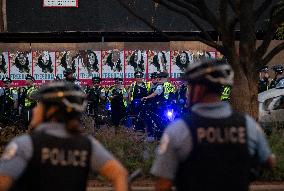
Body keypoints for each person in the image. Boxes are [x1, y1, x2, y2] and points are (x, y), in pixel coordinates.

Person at [151, 58, 276, 191]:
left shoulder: (178, 130)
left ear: (199, 89)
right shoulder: (248, 125)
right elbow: (269, 162)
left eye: (190, 86)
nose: (187, 93)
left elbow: (162, 185)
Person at [0, 81, 128, 191]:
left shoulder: (25, 144)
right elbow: (119, 173)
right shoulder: (87, 144)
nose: (35, 110)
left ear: (52, 111)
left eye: (40, 105)